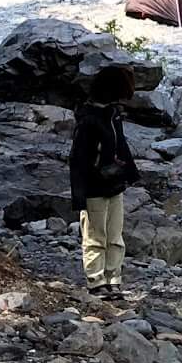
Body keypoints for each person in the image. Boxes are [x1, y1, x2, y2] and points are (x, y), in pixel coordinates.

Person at [69, 64, 140, 297]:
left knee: (115, 235)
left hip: (113, 184)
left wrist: (130, 173)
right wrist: (79, 196)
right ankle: (96, 281)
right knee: (95, 236)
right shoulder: (89, 120)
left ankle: (113, 278)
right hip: (94, 187)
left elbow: (121, 144)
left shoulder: (112, 114)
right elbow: (78, 160)